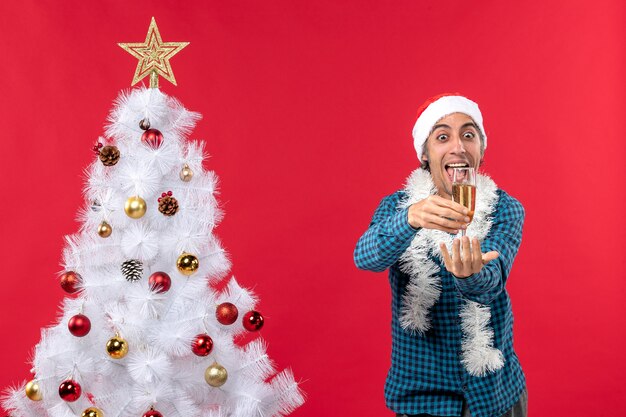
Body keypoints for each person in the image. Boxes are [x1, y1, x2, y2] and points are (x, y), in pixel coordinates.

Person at [354, 94, 527, 417]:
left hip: (494, 395)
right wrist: (410, 219)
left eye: (469, 135)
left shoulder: (505, 208)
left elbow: (493, 279)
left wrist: (470, 274)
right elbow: (365, 257)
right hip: (423, 397)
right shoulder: (397, 207)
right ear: (425, 152)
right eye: (443, 136)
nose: (458, 147)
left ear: (481, 149)